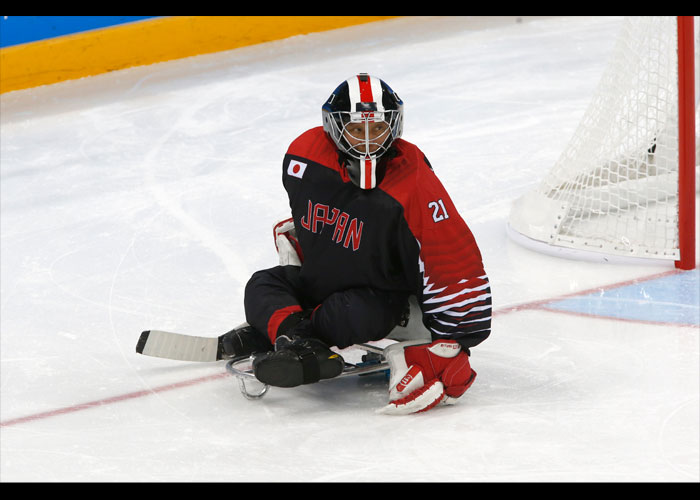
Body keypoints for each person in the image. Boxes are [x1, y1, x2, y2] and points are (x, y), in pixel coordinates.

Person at [220, 73, 492, 414]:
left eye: (377, 129)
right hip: (326, 282)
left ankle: (286, 337)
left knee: (349, 312)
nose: (367, 140)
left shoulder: (413, 180)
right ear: (334, 128)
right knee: (262, 284)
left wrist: (457, 340)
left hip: (387, 298)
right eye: (356, 129)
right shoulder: (304, 155)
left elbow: (451, 254)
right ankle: (298, 342)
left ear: (393, 128)